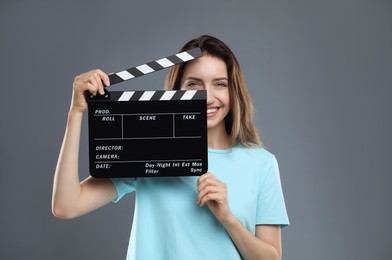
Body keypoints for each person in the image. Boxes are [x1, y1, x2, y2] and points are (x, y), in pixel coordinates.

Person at [52, 35, 289, 260]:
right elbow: (66, 205)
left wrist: (228, 219)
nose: (208, 97)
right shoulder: (148, 148)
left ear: (234, 91)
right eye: (194, 84)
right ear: (177, 91)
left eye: (220, 84)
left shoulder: (261, 164)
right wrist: (76, 112)